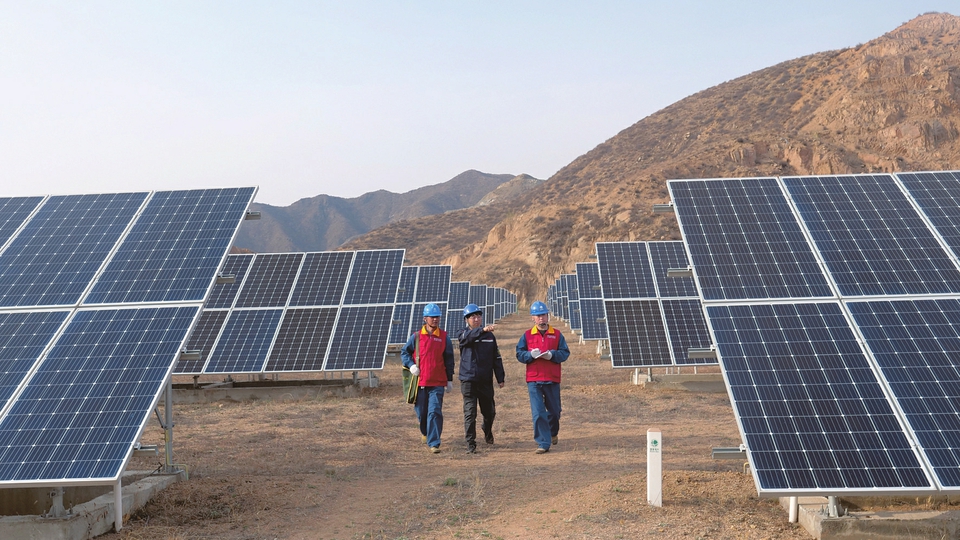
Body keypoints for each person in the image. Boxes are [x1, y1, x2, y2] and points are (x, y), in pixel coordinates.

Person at [516, 300, 570, 454]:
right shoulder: (527, 335)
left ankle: (552, 432)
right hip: (534, 379)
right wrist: (529, 355)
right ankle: (543, 443)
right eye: (538, 316)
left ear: (548, 316)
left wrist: (552, 355)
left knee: (554, 412)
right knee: (538, 412)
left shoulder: (557, 334)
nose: (541, 318)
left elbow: (565, 353)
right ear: (533, 318)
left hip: (552, 378)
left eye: (544, 315)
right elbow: (519, 354)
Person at [401, 303, 455, 454]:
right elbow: (404, 352)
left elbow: (449, 359)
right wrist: (411, 365)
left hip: (437, 382)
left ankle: (434, 443)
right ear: (425, 318)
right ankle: (425, 432)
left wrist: (449, 379)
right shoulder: (417, 337)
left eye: (437, 317)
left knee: (435, 411)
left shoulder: (444, 337)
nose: (435, 320)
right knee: (422, 412)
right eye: (432, 317)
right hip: (420, 382)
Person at [456, 303, 505, 454]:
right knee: (470, 413)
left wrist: (500, 377)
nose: (476, 319)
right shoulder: (463, 334)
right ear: (467, 320)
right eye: (473, 317)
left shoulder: (490, 337)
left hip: (485, 380)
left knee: (489, 412)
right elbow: (466, 339)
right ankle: (471, 444)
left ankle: (487, 429)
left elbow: (496, 358)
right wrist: (481, 330)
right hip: (468, 380)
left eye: (478, 316)